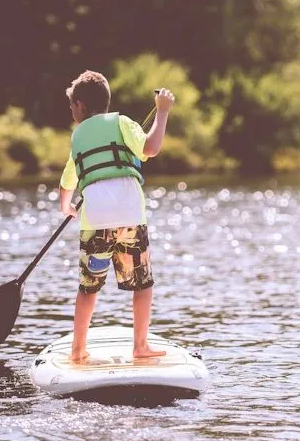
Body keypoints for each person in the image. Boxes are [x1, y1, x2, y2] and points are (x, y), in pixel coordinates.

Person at [58, 69, 174, 362]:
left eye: (72, 105)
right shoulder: (122, 122)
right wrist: (162, 113)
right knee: (142, 284)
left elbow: (67, 181)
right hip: (130, 217)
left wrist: (66, 207)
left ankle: (77, 349)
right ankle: (140, 346)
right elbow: (151, 147)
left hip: (94, 221)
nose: (71, 110)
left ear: (81, 106)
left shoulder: (77, 136)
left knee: (88, 288)